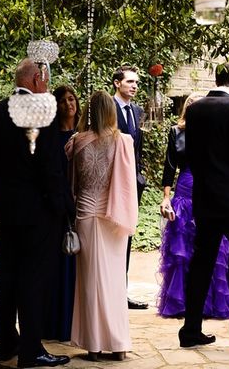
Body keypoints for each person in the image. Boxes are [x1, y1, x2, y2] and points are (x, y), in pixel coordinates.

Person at [0, 58, 72, 368]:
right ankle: (31, 350)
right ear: (35, 79)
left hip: (7, 211)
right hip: (39, 214)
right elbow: (50, 167)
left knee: (8, 276)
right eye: (45, 80)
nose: (46, 86)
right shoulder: (43, 111)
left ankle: (6, 343)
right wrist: (60, 208)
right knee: (34, 279)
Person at [178, 63, 229, 347]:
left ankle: (190, 330)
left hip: (204, 197)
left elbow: (191, 154)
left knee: (201, 264)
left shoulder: (195, 109)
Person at [67, 90, 139, 362]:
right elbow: (127, 184)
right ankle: (118, 345)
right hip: (114, 217)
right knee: (114, 281)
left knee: (88, 282)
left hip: (86, 214)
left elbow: (72, 185)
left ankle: (94, 346)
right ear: (111, 111)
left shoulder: (76, 142)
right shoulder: (123, 141)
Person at [157, 93, 229, 319]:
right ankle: (183, 303)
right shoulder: (176, 132)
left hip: (210, 190)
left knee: (215, 250)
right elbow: (169, 166)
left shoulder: (214, 132)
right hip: (185, 189)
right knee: (184, 249)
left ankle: (212, 304)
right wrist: (167, 197)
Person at [43, 85, 80, 342]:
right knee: (55, 265)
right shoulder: (51, 136)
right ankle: (54, 323)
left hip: (81, 205)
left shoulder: (84, 135)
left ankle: (72, 323)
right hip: (56, 207)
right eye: (63, 100)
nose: (69, 104)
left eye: (72, 99)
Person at [112, 65, 148, 310]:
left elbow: (137, 148)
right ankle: (111, 291)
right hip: (112, 184)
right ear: (117, 83)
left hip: (132, 183)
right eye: (130, 82)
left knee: (128, 237)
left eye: (136, 82)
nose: (134, 86)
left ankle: (121, 292)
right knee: (113, 237)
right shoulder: (108, 108)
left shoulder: (136, 111)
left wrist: (140, 176)